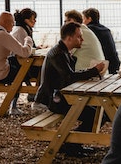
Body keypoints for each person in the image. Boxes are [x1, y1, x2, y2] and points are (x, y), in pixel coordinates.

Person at [34, 22, 107, 157]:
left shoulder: (63, 51)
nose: (82, 40)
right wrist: (93, 71)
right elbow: (69, 77)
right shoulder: (57, 54)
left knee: (99, 112)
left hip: (60, 96)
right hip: (54, 100)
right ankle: (70, 145)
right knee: (97, 114)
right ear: (69, 38)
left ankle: (73, 145)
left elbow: (69, 75)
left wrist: (90, 72)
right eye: (79, 37)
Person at [0, 11, 34, 115]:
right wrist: (28, 40)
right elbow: (25, 52)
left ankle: (28, 94)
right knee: (23, 70)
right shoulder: (3, 35)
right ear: (5, 22)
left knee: (15, 62)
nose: (13, 25)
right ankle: (16, 104)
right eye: (12, 23)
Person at [83, 8, 121, 74]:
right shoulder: (106, 29)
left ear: (89, 19)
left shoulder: (89, 30)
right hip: (114, 62)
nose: (83, 22)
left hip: (103, 65)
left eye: (84, 19)